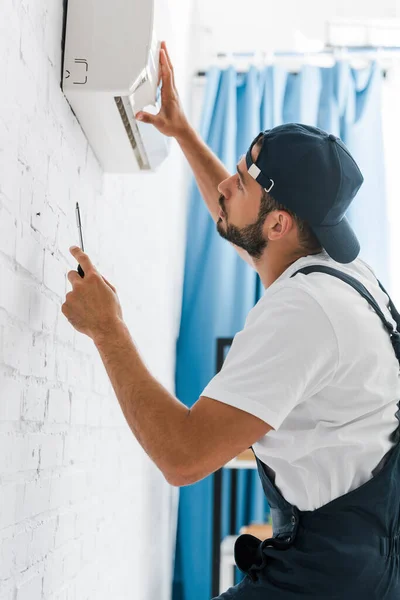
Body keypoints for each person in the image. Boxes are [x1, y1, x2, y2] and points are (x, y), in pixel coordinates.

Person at [135, 42, 400, 598]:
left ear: (280, 224)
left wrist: (106, 328)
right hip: (367, 551)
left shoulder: (303, 310)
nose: (226, 188)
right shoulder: (341, 271)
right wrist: (182, 133)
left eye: (243, 182)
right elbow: (238, 218)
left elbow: (182, 458)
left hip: (333, 576)